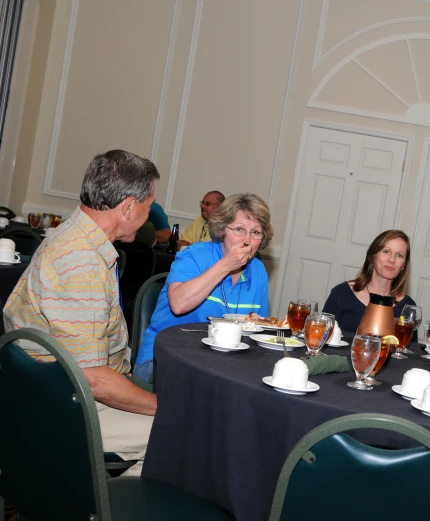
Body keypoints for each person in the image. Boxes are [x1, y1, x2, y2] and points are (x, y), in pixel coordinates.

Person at [3, 150, 160, 476]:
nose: (148, 218)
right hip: (66, 406)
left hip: (46, 393)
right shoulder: (82, 262)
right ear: (129, 206)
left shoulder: (70, 235)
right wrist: (164, 409)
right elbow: (93, 379)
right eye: (147, 208)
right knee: (185, 437)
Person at [135, 193, 273, 382]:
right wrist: (226, 265)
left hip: (221, 366)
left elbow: (259, 330)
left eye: (256, 232)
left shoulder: (258, 271)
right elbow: (178, 304)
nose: (247, 240)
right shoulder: (194, 256)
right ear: (223, 229)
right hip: (163, 361)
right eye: (239, 229)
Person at [323, 230, 417, 337]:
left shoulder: (408, 307)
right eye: (386, 251)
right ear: (373, 256)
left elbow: (411, 352)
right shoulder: (341, 294)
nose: (392, 259)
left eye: (399, 255)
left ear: (403, 265)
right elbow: (320, 337)